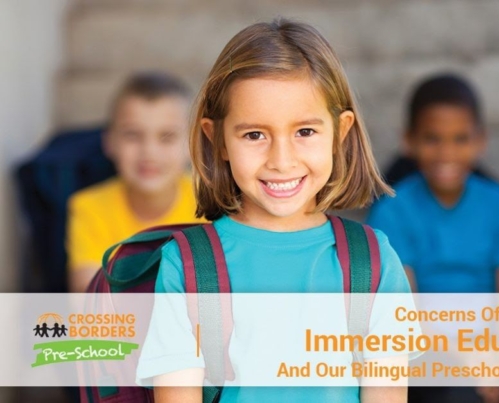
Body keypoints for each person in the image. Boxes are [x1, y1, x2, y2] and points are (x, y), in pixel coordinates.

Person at [135, 19, 415, 403]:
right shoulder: (186, 266)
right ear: (217, 140)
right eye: (254, 135)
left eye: (304, 132)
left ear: (341, 132)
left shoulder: (373, 264)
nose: (281, 161)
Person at [368, 74, 499, 403]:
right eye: (432, 139)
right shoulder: (392, 212)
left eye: (460, 139)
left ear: (481, 141)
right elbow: (409, 311)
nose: (446, 152)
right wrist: (467, 360)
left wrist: (498, 360)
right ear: (408, 141)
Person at [66, 72, 203, 292]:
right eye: (133, 135)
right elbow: (87, 293)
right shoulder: (88, 207)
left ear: (192, 145)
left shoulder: (215, 204)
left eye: (167, 136)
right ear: (109, 142)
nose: (149, 152)